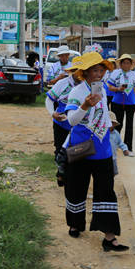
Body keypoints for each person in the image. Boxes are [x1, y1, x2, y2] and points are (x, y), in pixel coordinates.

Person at [62, 52, 129, 252]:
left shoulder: (104, 90)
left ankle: (109, 236)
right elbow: (72, 121)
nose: (99, 74)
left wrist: (111, 132)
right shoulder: (77, 92)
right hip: (81, 146)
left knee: (106, 190)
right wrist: (85, 105)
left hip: (102, 147)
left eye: (101, 70)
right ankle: (75, 223)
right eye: (95, 70)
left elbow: (104, 114)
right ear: (85, 72)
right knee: (76, 186)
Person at [46, 55, 83, 186]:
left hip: (78, 125)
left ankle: (71, 176)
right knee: (60, 150)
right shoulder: (62, 84)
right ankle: (61, 174)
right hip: (61, 123)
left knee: (76, 152)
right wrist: (52, 113)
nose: (80, 73)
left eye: (82, 70)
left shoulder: (86, 86)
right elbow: (49, 99)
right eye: (77, 70)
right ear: (72, 71)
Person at [106, 54, 135, 156]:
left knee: (129, 126)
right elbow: (110, 87)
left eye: (128, 63)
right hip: (117, 102)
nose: (126, 65)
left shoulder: (133, 74)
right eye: (124, 63)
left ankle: (128, 148)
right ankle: (114, 146)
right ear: (120, 64)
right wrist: (118, 89)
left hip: (130, 103)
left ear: (131, 64)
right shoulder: (116, 73)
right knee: (117, 125)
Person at [108, 110, 130, 175]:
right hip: (104, 157)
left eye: (112, 123)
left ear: (114, 124)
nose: (110, 125)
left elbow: (120, 143)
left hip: (113, 158)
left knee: (113, 173)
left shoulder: (116, 134)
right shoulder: (102, 133)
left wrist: (125, 149)